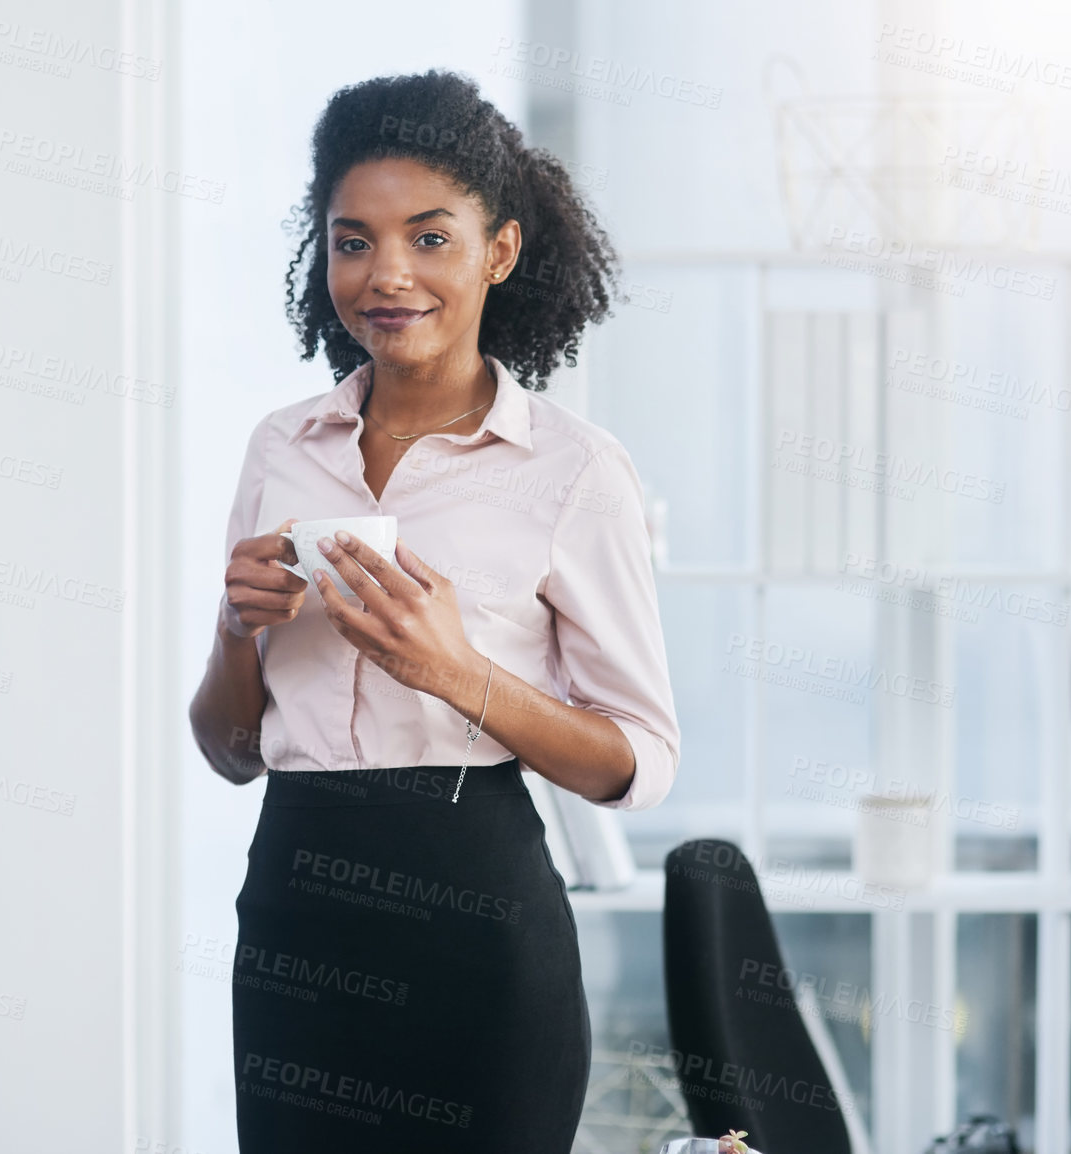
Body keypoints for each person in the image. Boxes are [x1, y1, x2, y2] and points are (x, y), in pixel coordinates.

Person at [188, 69, 681, 1153]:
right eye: (351, 240)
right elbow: (228, 750)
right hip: (293, 913)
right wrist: (237, 632)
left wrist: (458, 672)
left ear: (498, 250)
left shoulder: (572, 469)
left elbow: (634, 760)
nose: (386, 275)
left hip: (477, 924)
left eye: (428, 237)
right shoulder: (281, 447)